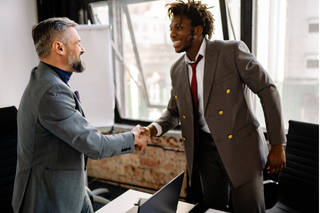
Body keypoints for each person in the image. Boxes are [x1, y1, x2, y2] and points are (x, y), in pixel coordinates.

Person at [141, 0, 286, 212]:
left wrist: (277, 144)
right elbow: (174, 111)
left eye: (179, 27)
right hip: (205, 152)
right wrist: (152, 129)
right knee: (213, 210)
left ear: (198, 30)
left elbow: (267, 89)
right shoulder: (177, 70)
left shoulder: (231, 51)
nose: (172, 33)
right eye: (171, 28)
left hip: (241, 150)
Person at [12, 17, 150, 213]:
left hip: (70, 188)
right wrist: (133, 138)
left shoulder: (42, 77)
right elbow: (96, 146)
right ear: (59, 48)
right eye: (77, 43)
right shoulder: (51, 91)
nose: (82, 49)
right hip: (49, 200)